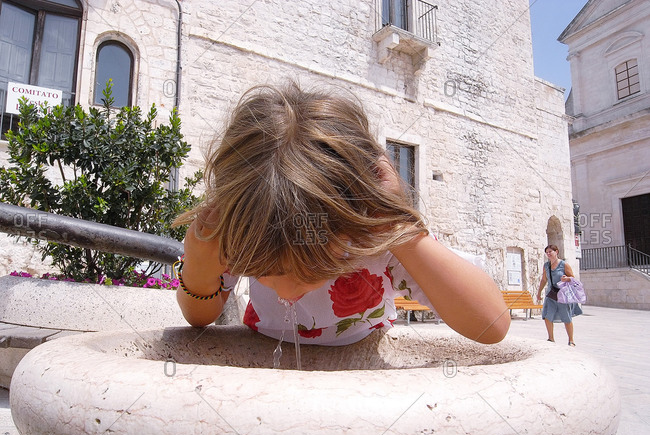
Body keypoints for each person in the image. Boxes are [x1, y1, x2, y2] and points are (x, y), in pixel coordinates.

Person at [173, 83, 510, 347]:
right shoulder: (246, 228)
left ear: (352, 219)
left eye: (310, 269)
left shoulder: (374, 236)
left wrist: (399, 228)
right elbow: (200, 318)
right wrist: (201, 264)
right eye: (268, 271)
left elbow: (491, 324)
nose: (288, 293)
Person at [536, 244, 582, 346]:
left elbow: (573, 278)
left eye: (550, 252)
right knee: (547, 316)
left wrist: (567, 278)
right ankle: (551, 338)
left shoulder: (564, 265)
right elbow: (544, 280)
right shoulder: (546, 266)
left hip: (562, 295)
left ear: (556, 252)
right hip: (550, 294)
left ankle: (571, 340)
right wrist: (539, 292)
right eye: (547, 252)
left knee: (566, 317)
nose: (548, 254)